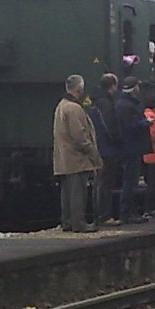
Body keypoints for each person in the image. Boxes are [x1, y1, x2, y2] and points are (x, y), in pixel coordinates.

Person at [53, 74, 103, 233]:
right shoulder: (74, 108)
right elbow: (79, 136)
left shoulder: (61, 105)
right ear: (79, 89)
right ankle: (79, 223)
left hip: (64, 157)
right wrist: (93, 153)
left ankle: (67, 221)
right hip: (76, 158)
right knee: (77, 193)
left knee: (67, 192)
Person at [114, 76, 153, 224]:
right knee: (130, 181)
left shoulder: (123, 104)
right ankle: (128, 213)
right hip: (132, 147)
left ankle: (130, 212)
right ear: (134, 88)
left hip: (130, 147)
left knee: (131, 180)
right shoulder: (127, 106)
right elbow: (131, 126)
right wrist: (146, 122)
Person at [88, 73, 121, 226]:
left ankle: (99, 214)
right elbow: (110, 126)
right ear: (112, 86)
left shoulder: (96, 102)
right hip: (107, 148)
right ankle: (104, 215)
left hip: (99, 146)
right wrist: (118, 140)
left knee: (100, 182)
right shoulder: (106, 103)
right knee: (105, 182)